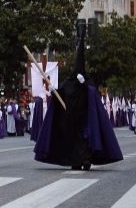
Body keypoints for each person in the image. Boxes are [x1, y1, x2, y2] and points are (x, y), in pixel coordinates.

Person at [34, 34, 123, 170]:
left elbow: (94, 96)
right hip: (71, 119)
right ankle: (75, 161)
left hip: (85, 118)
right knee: (72, 141)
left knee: (85, 139)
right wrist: (54, 91)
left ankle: (86, 159)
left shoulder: (87, 83)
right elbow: (61, 94)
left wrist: (85, 85)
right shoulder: (69, 83)